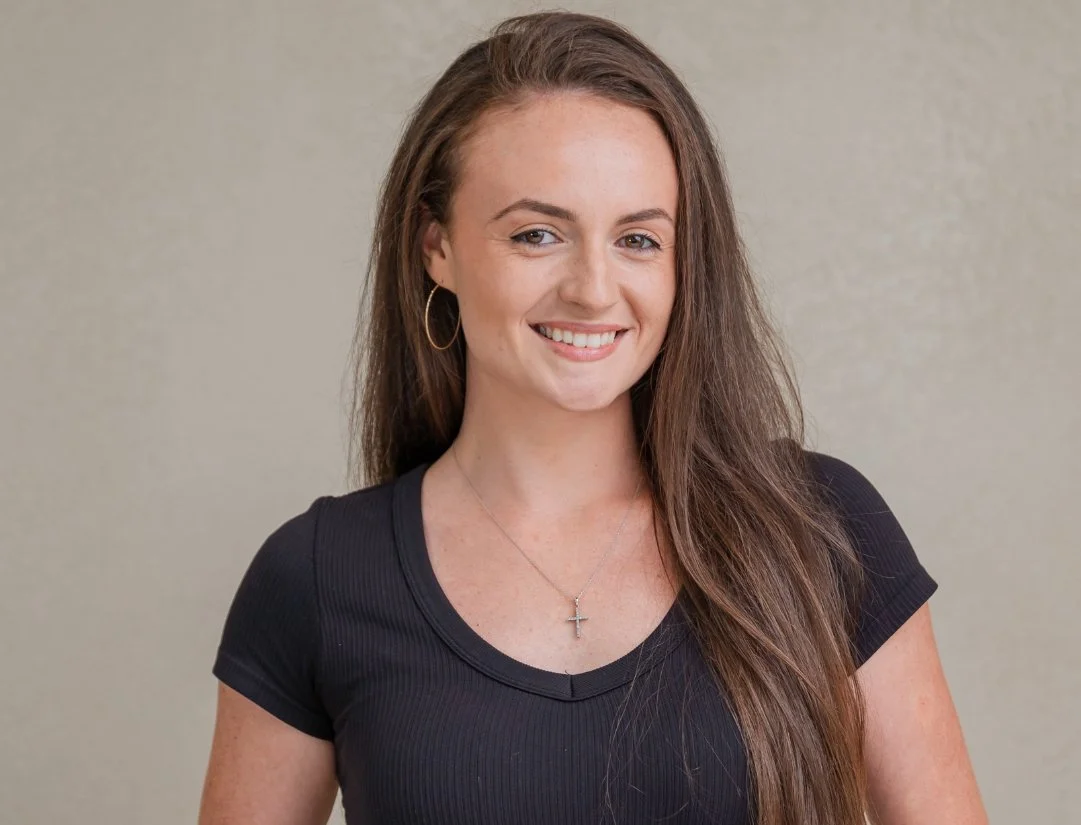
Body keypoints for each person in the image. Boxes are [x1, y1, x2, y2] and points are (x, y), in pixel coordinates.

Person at [198, 11, 987, 825]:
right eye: (537, 233)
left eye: (638, 240)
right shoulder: (320, 579)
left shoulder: (823, 530)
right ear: (436, 245)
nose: (593, 288)